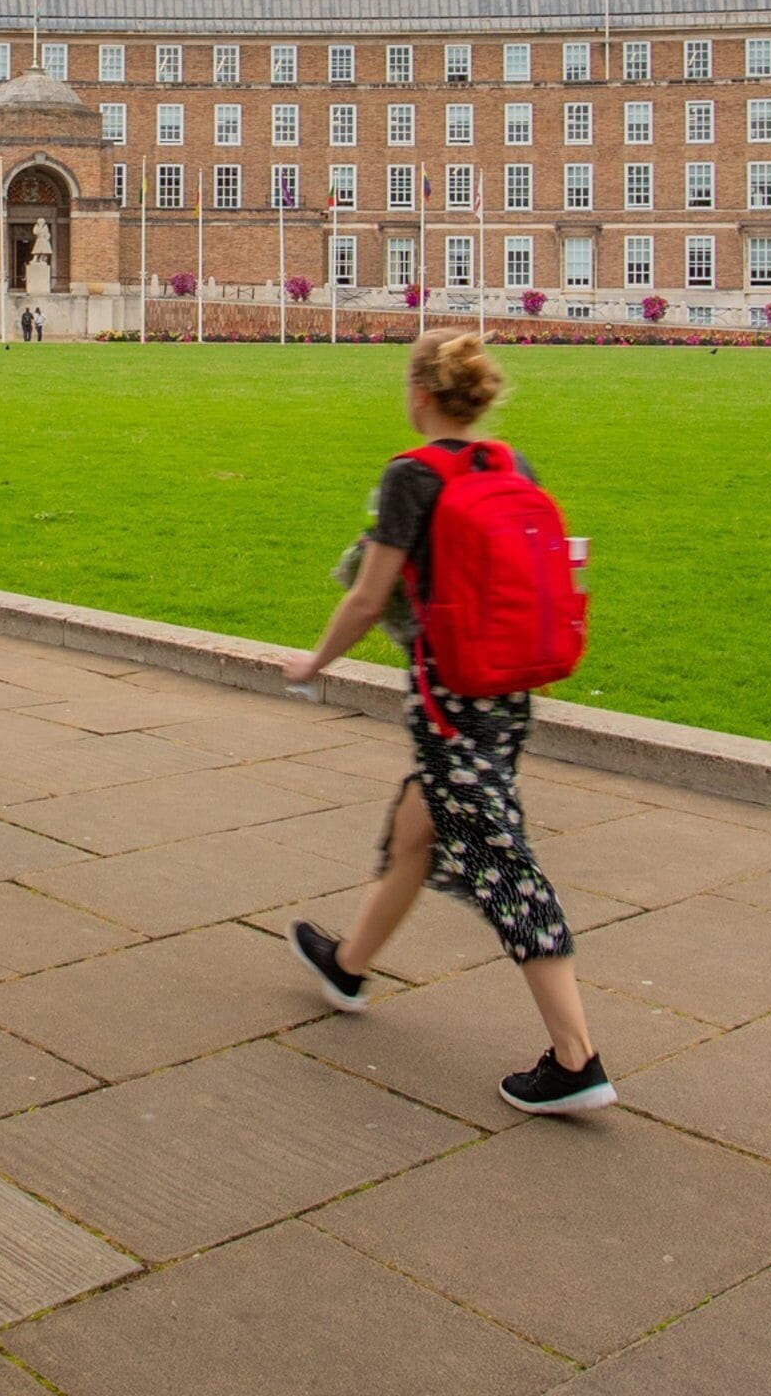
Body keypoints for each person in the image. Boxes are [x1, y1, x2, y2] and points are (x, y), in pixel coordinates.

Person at [283, 333, 614, 1117]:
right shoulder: (511, 464)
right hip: (509, 690)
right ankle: (349, 965)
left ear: (421, 395)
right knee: (416, 830)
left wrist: (315, 662)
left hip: (449, 696)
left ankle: (576, 1059)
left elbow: (370, 596)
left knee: (502, 863)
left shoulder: (411, 476)